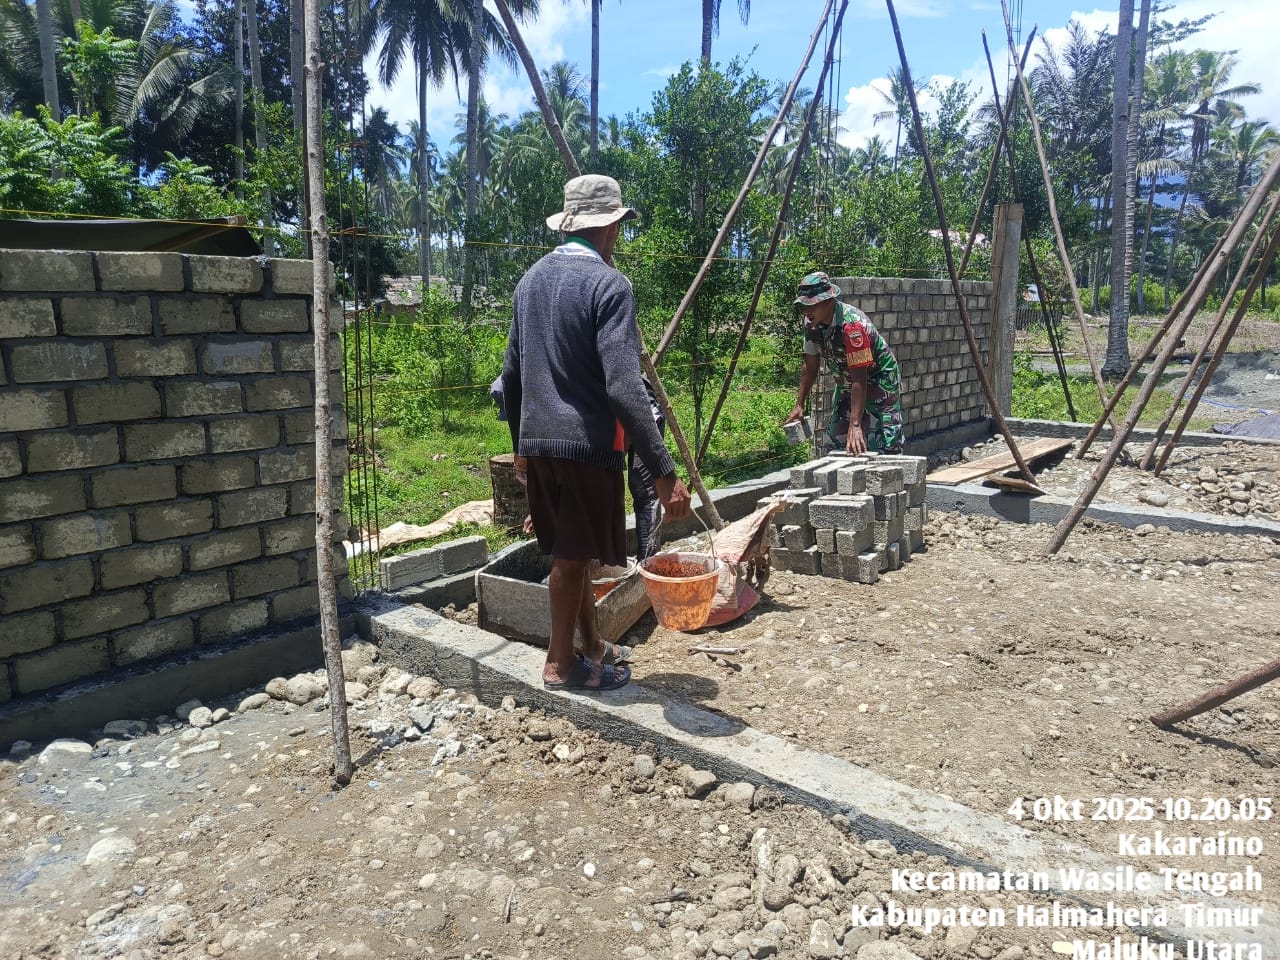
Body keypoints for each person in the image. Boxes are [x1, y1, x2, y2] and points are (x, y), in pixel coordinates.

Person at [500, 174, 691, 692]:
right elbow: (626, 387)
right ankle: (560, 665)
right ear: (610, 227)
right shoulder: (611, 285)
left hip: (540, 443)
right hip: (586, 447)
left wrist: (521, 447)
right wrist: (664, 470)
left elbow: (510, 377)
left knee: (574, 552)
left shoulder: (529, 282)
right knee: (569, 560)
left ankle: (592, 646)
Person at [783, 270, 905, 454]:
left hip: (878, 379)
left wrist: (855, 424)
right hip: (848, 381)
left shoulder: (852, 326)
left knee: (884, 441)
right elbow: (810, 365)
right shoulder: (811, 324)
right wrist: (799, 404)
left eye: (812, 305)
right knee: (839, 438)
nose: (807, 311)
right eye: (803, 306)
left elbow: (860, 377)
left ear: (829, 301)